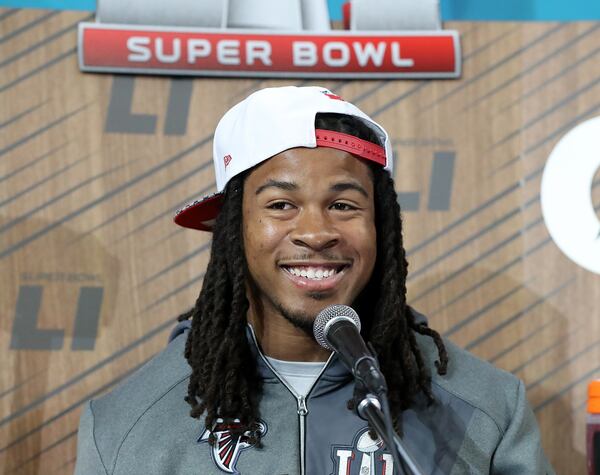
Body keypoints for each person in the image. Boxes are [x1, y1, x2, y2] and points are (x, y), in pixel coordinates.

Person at [74, 86, 554, 474]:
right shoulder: (127, 423)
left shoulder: (485, 406)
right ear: (231, 230)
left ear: (381, 227)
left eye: (344, 205)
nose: (317, 233)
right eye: (281, 205)